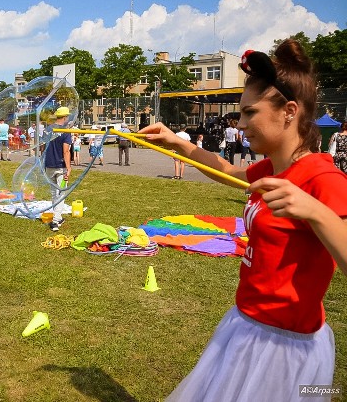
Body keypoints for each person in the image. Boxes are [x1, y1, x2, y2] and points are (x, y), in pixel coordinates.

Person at [140, 39, 347, 401]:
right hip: (247, 325)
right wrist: (180, 144)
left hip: (288, 349)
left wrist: (315, 211)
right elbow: (229, 171)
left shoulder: (323, 179)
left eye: (250, 113)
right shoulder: (271, 169)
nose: (241, 123)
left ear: (289, 111)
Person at [44, 106, 72, 232]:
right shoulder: (66, 131)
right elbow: (66, 151)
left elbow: (42, 147)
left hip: (49, 165)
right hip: (60, 167)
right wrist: (69, 168)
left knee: (54, 192)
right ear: (65, 117)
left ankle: (58, 217)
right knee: (61, 193)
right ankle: (55, 221)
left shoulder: (47, 129)